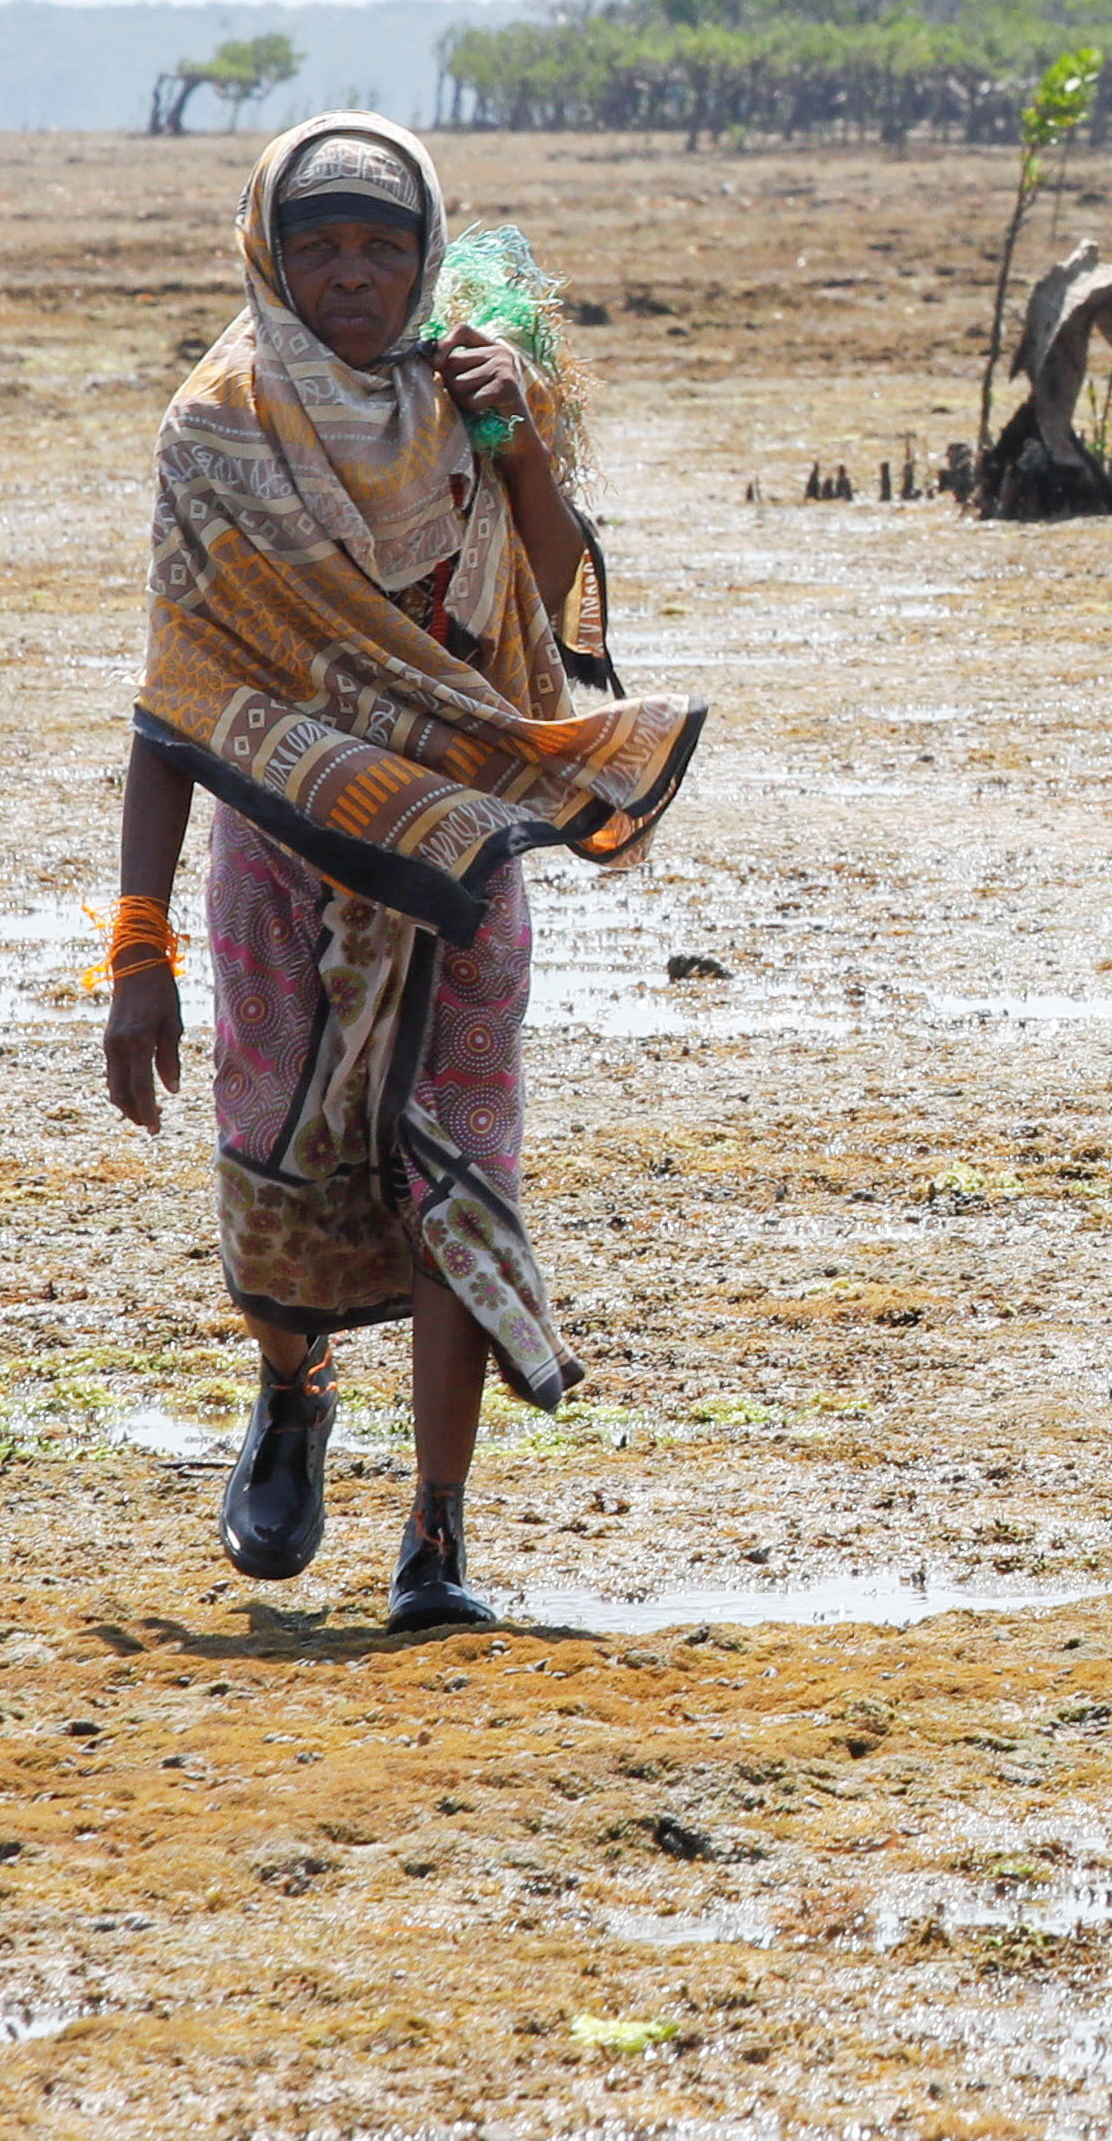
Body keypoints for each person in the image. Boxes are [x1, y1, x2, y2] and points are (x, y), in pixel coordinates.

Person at [99, 118, 701, 1631]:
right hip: (283, 855)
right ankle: (291, 1384)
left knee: (458, 1155)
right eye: (321, 246)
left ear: (429, 256)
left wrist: (518, 435)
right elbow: (180, 697)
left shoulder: (473, 396)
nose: (353, 275)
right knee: (280, 1138)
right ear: (270, 253)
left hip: (459, 843)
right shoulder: (217, 429)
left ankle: (436, 1534)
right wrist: (136, 950)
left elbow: (562, 612)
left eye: (382, 247)